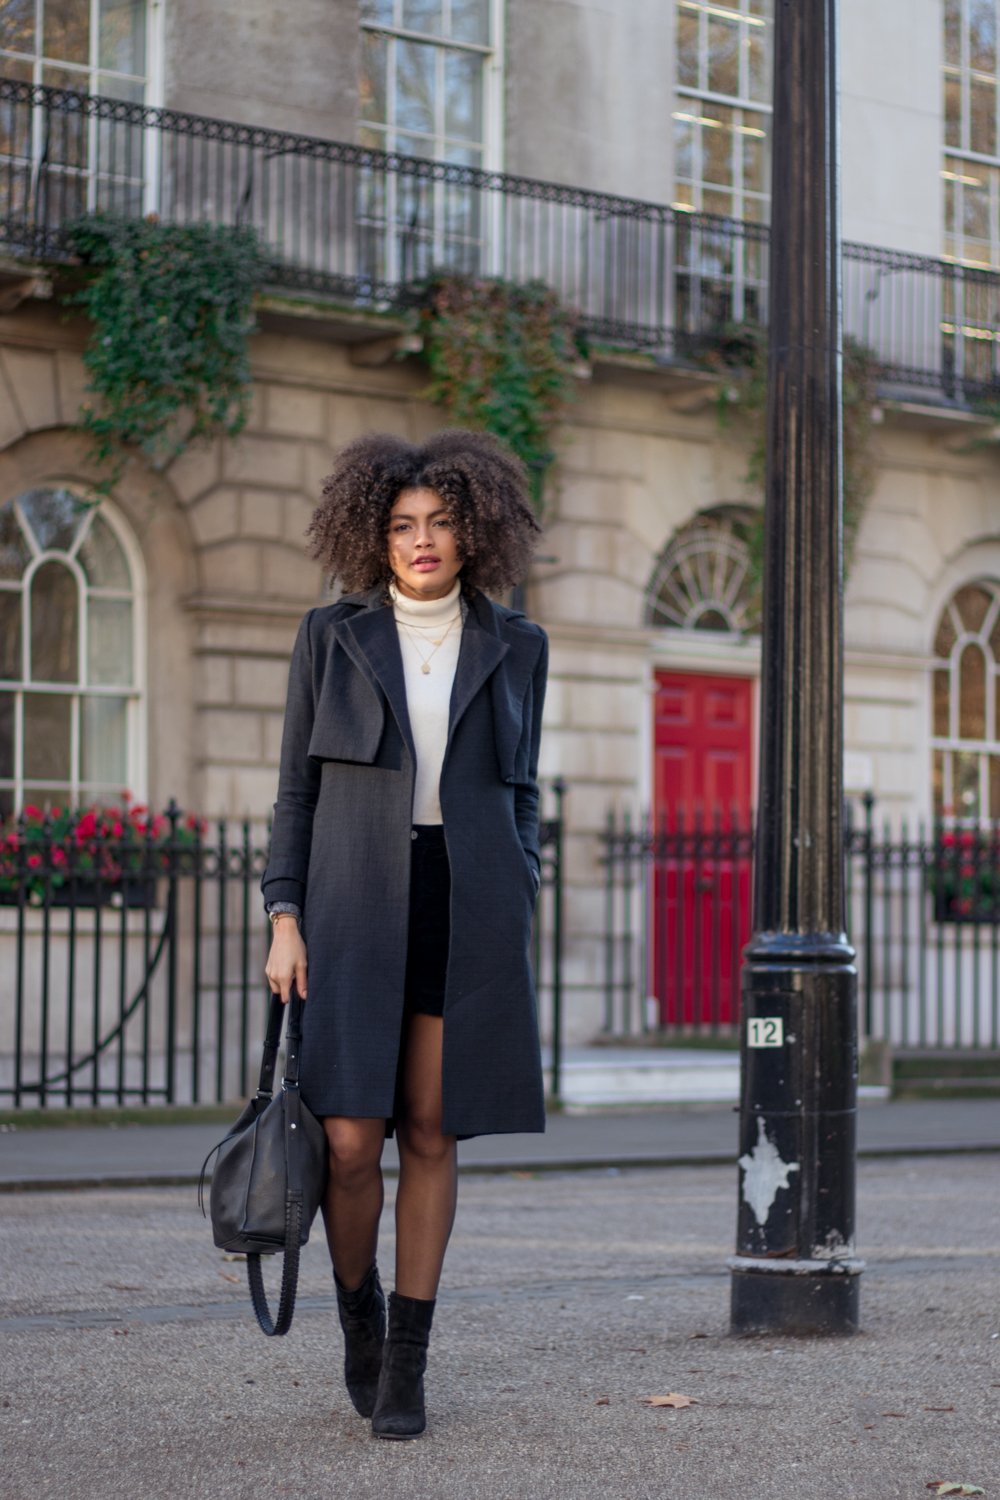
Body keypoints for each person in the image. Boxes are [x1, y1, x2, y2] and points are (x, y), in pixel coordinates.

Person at [261, 428, 549, 1440]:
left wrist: (524, 875)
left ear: (473, 534)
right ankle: (359, 1321)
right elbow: (296, 789)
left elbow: (523, 793)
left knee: (430, 1130)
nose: (420, 541)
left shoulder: (519, 645)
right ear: (373, 536)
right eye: (401, 526)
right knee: (349, 1143)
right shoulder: (329, 636)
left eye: (438, 524)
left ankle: (409, 1363)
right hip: (348, 906)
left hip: (466, 906)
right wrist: (281, 913)